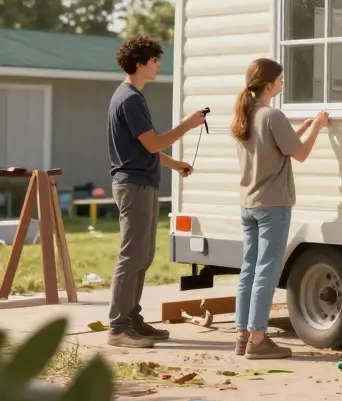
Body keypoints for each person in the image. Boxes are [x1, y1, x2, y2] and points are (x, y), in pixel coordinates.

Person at [106, 37, 206, 349]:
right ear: (140, 63)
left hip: (142, 183)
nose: (158, 64)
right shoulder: (130, 99)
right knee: (132, 255)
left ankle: (132, 319)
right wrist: (188, 125)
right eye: (154, 60)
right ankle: (118, 328)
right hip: (133, 186)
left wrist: (174, 164)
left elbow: (145, 147)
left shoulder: (133, 96)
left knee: (143, 256)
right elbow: (152, 143)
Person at [230, 58, 328, 359]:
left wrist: (299, 129)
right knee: (266, 273)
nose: (283, 84)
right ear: (269, 83)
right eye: (281, 79)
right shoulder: (273, 115)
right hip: (273, 204)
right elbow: (300, 154)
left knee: (249, 270)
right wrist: (318, 127)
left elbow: (276, 148)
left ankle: (243, 336)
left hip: (249, 204)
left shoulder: (246, 115)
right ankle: (259, 342)